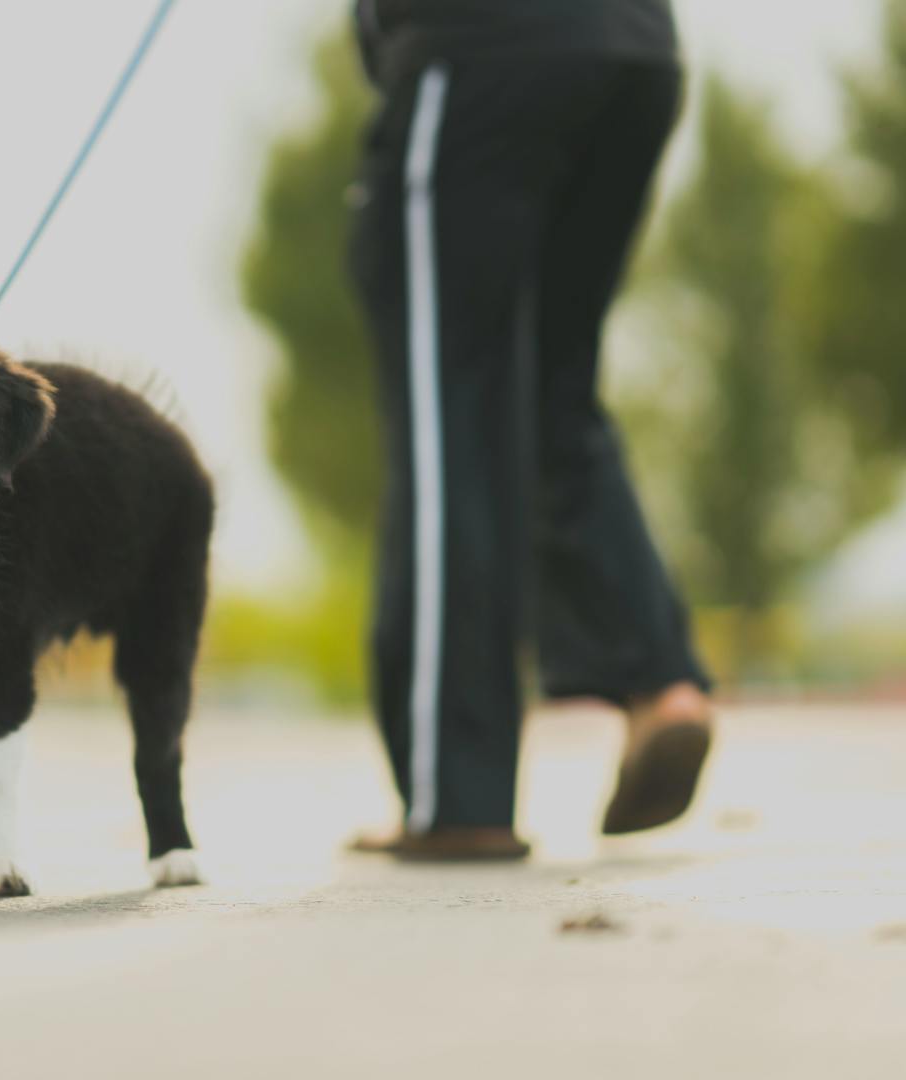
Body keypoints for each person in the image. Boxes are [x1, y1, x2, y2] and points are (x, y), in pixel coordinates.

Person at [345, 0, 714, 859]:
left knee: (450, 413)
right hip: (634, 55)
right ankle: (659, 684)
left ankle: (458, 795)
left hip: (479, 52)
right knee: (554, 393)